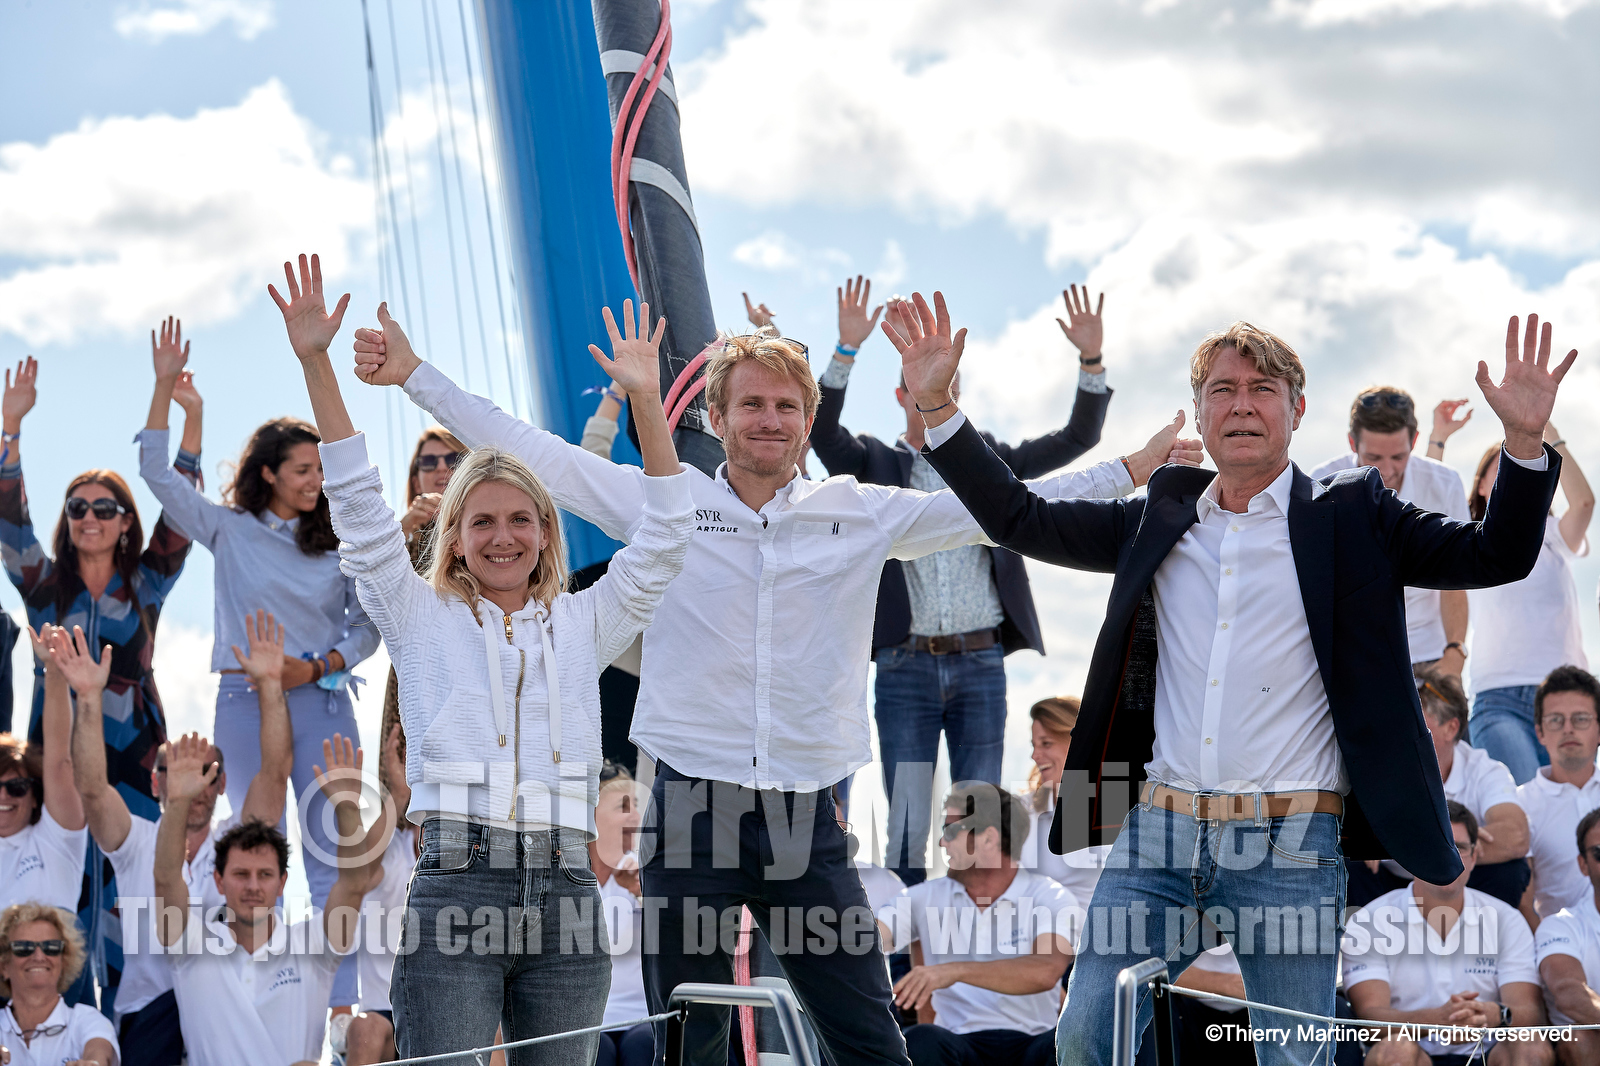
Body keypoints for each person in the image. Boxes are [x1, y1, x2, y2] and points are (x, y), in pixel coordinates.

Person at [351, 287, 1197, 1066]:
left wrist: (1131, 467)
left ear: (809, 420)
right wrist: (414, 374)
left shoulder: (860, 510)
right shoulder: (666, 502)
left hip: (805, 814)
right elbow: (529, 446)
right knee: (694, 1036)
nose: (769, 419)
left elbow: (1007, 508)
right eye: (750, 403)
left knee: (868, 1037)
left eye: (787, 406)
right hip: (688, 809)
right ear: (716, 416)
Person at [897, 296, 1572, 1065]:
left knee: (1293, 1057)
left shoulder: (1357, 515)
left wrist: (1522, 444)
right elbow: (1020, 517)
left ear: (1297, 409)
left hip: (1291, 844)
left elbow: (1495, 557)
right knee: (1087, 1035)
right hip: (1159, 833)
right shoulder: (1161, 516)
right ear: (1199, 411)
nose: (1242, 405)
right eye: (1223, 390)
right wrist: (940, 408)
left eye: (1262, 390)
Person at [274, 253, 694, 1063]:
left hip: (571, 892)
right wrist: (316, 361)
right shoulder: (417, 614)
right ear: (456, 542)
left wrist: (647, 400)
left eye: (520, 520)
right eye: (483, 522)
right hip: (455, 884)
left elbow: (667, 535)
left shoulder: (585, 622)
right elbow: (358, 501)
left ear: (545, 534)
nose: (503, 536)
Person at [807, 279, 1114, 886]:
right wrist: (845, 351)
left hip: (979, 663)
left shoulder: (988, 462)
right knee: (909, 823)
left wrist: (1091, 361)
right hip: (905, 669)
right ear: (903, 391)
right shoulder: (875, 465)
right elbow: (823, 436)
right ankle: (905, 965)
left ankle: (975, 953)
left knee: (980, 816)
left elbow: (1078, 439)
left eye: (949, 384)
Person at [137, 320, 381, 1010]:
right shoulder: (228, 527)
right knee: (259, 841)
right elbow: (156, 473)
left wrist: (321, 665)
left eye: (322, 471)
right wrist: (169, 393)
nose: (317, 481)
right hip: (244, 704)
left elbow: (366, 629)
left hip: (324, 698)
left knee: (336, 846)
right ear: (269, 472)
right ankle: (263, 988)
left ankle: (339, 1006)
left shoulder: (341, 543)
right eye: (304, 469)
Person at [0, 338, 200, 1006]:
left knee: (130, 894)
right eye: (79, 507)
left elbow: (182, 510)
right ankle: (61, 1024)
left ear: (123, 524)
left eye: (104, 507)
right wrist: (12, 429)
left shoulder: (147, 582)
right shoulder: (45, 588)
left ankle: (124, 1018)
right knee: (61, 889)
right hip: (54, 749)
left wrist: (181, 410)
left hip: (135, 751)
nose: (89, 516)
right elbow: (9, 522)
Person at [61, 611, 290, 1065]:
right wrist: (88, 697)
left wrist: (270, 686)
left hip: (228, 1003)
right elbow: (91, 788)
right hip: (151, 1012)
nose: (193, 786)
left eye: (205, 774)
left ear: (222, 785)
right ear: (154, 784)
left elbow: (276, 773)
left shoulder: (239, 843)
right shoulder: (134, 842)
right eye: (177, 772)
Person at [155, 732, 375, 1066]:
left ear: (283, 882)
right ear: (218, 880)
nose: (253, 886)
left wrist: (347, 810)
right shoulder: (190, 946)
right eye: (241, 874)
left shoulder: (313, 943)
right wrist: (177, 803)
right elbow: (166, 877)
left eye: (265, 875)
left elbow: (355, 883)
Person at [876, 784, 1074, 1066]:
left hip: (1034, 1046)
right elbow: (869, 938)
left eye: (951, 831)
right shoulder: (924, 897)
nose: (942, 843)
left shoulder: (1049, 895)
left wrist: (951, 972)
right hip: (958, 1047)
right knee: (921, 1040)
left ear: (989, 839)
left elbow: (1045, 971)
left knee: (1069, 1042)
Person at [1343, 803, 1550, 1066]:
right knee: (1394, 1051)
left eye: (1460, 848)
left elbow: (1531, 1014)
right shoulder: (1369, 920)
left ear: (1475, 857)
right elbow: (1369, 1021)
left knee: (1532, 1049)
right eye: (1435, 846)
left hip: (1489, 1054)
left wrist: (1493, 1014)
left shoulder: (1506, 919)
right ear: (1412, 856)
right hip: (1414, 1054)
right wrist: (1439, 1020)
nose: (1448, 857)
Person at [1463, 423, 1593, 784]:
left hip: (1565, 698)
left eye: (1529, 468)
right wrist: (1438, 438)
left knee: (1576, 820)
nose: (1518, 477)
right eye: (1505, 468)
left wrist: (1549, 433)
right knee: (1520, 818)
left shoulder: (1554, 536)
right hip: (1498, 697)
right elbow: (1424, 502)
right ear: (1482, 486)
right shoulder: (1468, 538)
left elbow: (1584, 502)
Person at [1310, 386, 1470, 675]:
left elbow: (1455, 578)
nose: (1386, 470)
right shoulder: (1319, 484)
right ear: (1352, 443)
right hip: (1352, 655)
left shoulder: (1445, 482)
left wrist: (1455, 652)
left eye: (1398, 457)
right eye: (1374, 458)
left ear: (1415, 441)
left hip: (1429, 655)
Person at [1419, 668, 1530, 907]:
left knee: (1511, 870)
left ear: (1451, 727)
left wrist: (1415, 843)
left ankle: (1488, 941)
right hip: (1398, 887)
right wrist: (1460, 843)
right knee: (1357, 866)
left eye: (1415, 719)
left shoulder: (1484, 769)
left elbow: (1516, 835)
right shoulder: (1382, 763)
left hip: (1461, 884)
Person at [0, 625, 85, 914]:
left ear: (35, 796)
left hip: (53, 959)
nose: (4, 797)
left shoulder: (55, 841)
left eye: (16, 788)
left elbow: (59, 761)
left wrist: (54, 669)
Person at [1516, 666, 1600, 927]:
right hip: (1561, 951)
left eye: (1581, 719)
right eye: (1555, 720)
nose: (1568, 729)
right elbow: (1523, 904)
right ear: (1539, 732)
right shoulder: (1520, 806)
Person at [1019, 695, 1110, 914]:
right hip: (1037, 935)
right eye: (1034, 745)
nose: (1035, 755)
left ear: (1078, 742)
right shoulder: (1023, 809)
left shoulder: (1115, 807)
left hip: (1096, 938)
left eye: (1046, 743)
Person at [0, 903, 118, 1066]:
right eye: (24, 947)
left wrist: (92, 1063)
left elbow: (100, 1051)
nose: (39, 956)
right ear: (3, 965)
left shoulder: (87, 1019)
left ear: (64, 962)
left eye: (51, 947)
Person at [593, 762, 652, 1066]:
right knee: (595, 1049)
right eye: (622, 806)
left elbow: (689, 938)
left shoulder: (648, 870)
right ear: (591, 814)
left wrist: (641, 892)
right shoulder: (566, 878)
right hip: (588, 1019)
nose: (635, 816)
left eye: (636, 806)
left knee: (643, 1047)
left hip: (643, 1017)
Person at [1532, 807, 1600, 1065]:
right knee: (1579, 1038)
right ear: (1583, 864)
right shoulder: (1560, 926)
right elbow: (1570, 994)